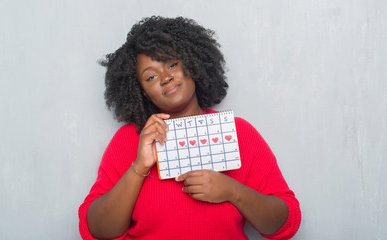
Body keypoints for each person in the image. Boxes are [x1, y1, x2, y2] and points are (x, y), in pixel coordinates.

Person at [78, 16, 301, 240]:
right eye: (152, 76)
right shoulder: (128, 139)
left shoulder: (239, 132)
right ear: (143, 91)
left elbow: (285, 224)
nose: (165, 78)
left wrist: (232, 191)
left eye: (172, 64)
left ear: (192, 64)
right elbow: (96, 231)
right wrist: (140, 166)